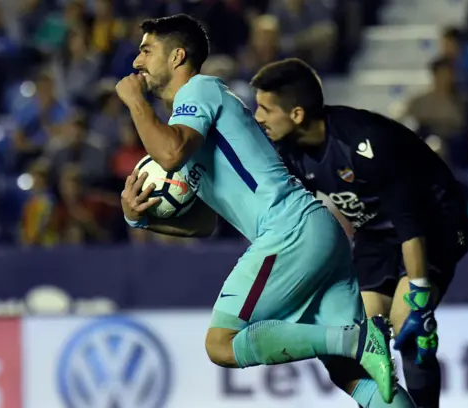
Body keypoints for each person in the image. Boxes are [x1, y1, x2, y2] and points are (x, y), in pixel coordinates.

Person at [115, 14, 415, 407]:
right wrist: (140, 216)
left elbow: (168, 153)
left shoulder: (198, 91)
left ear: (177, 57)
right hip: (315, 231)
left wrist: (135, 102)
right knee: (352, 374)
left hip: (287, 230)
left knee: (221, 344)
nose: (137, 62)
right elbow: (203, 224)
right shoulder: (190, 127)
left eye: (146, 50)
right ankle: (358, 347)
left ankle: (358, 339)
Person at [251, 58, 468, 408]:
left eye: (265, 108)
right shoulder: (288, 151)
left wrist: (420, 296)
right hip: (374, 232)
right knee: (358, 342)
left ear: (296, 114)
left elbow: (411, 225)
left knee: (410, 326)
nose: (258, 117)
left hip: (433, 224)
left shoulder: (366, 143)